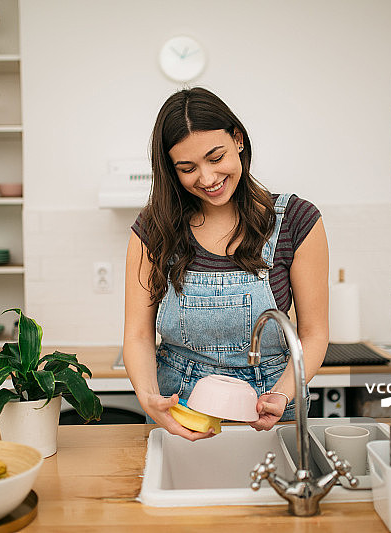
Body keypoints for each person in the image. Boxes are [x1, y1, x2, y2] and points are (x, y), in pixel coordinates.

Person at [123, 87, 329, 442]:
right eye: (188, 168)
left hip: (274, 401)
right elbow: (138, 335)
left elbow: (313, 334)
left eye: (215, 158)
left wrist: (282, 393)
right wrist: (148, 397)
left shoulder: (296, 221)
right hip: (180, 407)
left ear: (238, 140)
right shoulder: (153, 229)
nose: (207, 178)